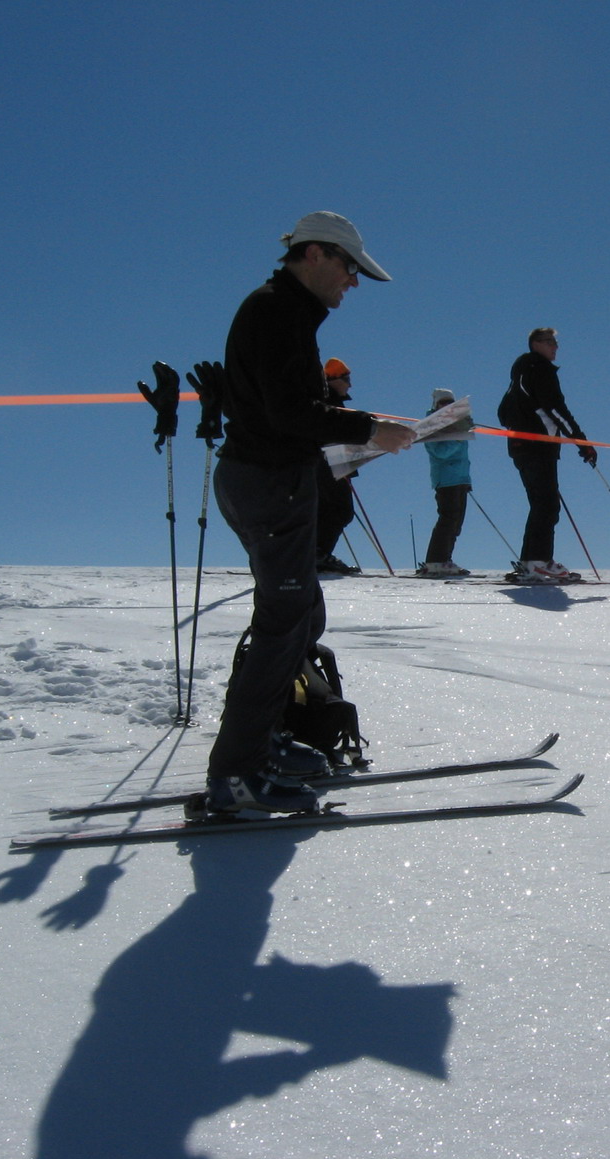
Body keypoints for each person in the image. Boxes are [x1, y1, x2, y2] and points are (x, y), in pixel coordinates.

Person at [205, 211, 415, 815]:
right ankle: (236, 774)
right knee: (284, 626)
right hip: (269, 485)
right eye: (350, 268)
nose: (353, 282)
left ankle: (260, 742)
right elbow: (290, 414)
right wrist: (371, 429)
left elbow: (291, 404)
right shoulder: (275, 310)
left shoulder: (288, 313)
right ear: (316, 254)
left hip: (272, 483)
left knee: (297, 621)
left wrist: (358, 424)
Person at [497, 327, 596, 581]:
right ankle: (539, 561)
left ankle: (532, 562)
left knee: (541, 503)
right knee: (547, 504)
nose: (556, 347)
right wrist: (582, 442)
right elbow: (555, 408)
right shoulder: (539, 369)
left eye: (555, 342)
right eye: (550, 342)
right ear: (535, 344)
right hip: (538, 446)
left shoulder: (520, 373)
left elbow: (503, 411)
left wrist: (520, 424)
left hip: (521, 445)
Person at [315, 357, 362, 576]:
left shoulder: (328, 400)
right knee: (340, 510)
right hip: (329, 465)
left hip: (329, 464)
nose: (350, 384)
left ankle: (315, 553)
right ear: (334, 379)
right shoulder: (328, 401)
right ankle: (318, 554)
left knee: (328, 510)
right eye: (346, 379)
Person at [419, 388, 473, 577]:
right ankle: (436, 560)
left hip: (459, 478)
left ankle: (444, 559)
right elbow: (440, 452)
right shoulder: (431, 426)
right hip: (446, 478)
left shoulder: (455, 424)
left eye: (451, 402)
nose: (447, 406)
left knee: (456, 522)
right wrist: (459, 437)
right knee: (448, 518)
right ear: (436, 405)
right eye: (443, 403)